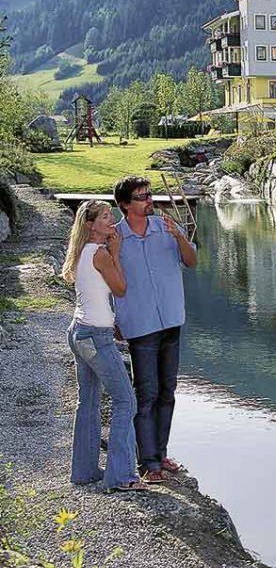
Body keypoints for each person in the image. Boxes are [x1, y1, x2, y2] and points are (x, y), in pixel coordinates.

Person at [112, 176, 197, 483]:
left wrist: (180, 237)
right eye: (141, 196)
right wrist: (115, 320)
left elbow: (192, 261)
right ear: (124, 203)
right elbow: (111, 283)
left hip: (172, 319)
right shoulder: (115, 238)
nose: (149, 200)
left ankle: (160, 454)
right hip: (141, 325)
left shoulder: (166, 228)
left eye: (149, 194)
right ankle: (148, 463)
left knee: (167, 392)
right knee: (145, 393)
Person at [61, 201, 148, 492]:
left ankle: (84, 471)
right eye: (106, 216)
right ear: (90, 224)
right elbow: (121, 288)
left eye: (112, 214)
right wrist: (117, 253)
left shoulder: (81, 253)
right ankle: (122, 477)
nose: (113, 219)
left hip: (78, 333)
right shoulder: (100, 254)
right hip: (96, 338)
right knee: (126, 401)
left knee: (88, 401)